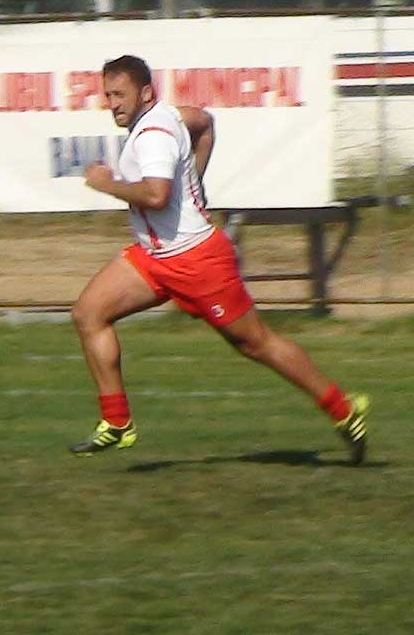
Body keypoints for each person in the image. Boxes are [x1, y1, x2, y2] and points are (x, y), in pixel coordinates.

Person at [69, 55, 369, 463]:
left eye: (120, 95)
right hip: (155, 258)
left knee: (256, 344)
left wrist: (108, 184)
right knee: (89, 313)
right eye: (107, 95)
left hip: (196, 261)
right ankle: (118, 423)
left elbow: (156, 196)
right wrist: (197, 184)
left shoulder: (153, 135)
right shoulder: (170, 116)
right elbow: (205, 123)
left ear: (145, 93)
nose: (113, 104)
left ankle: (343, 408)